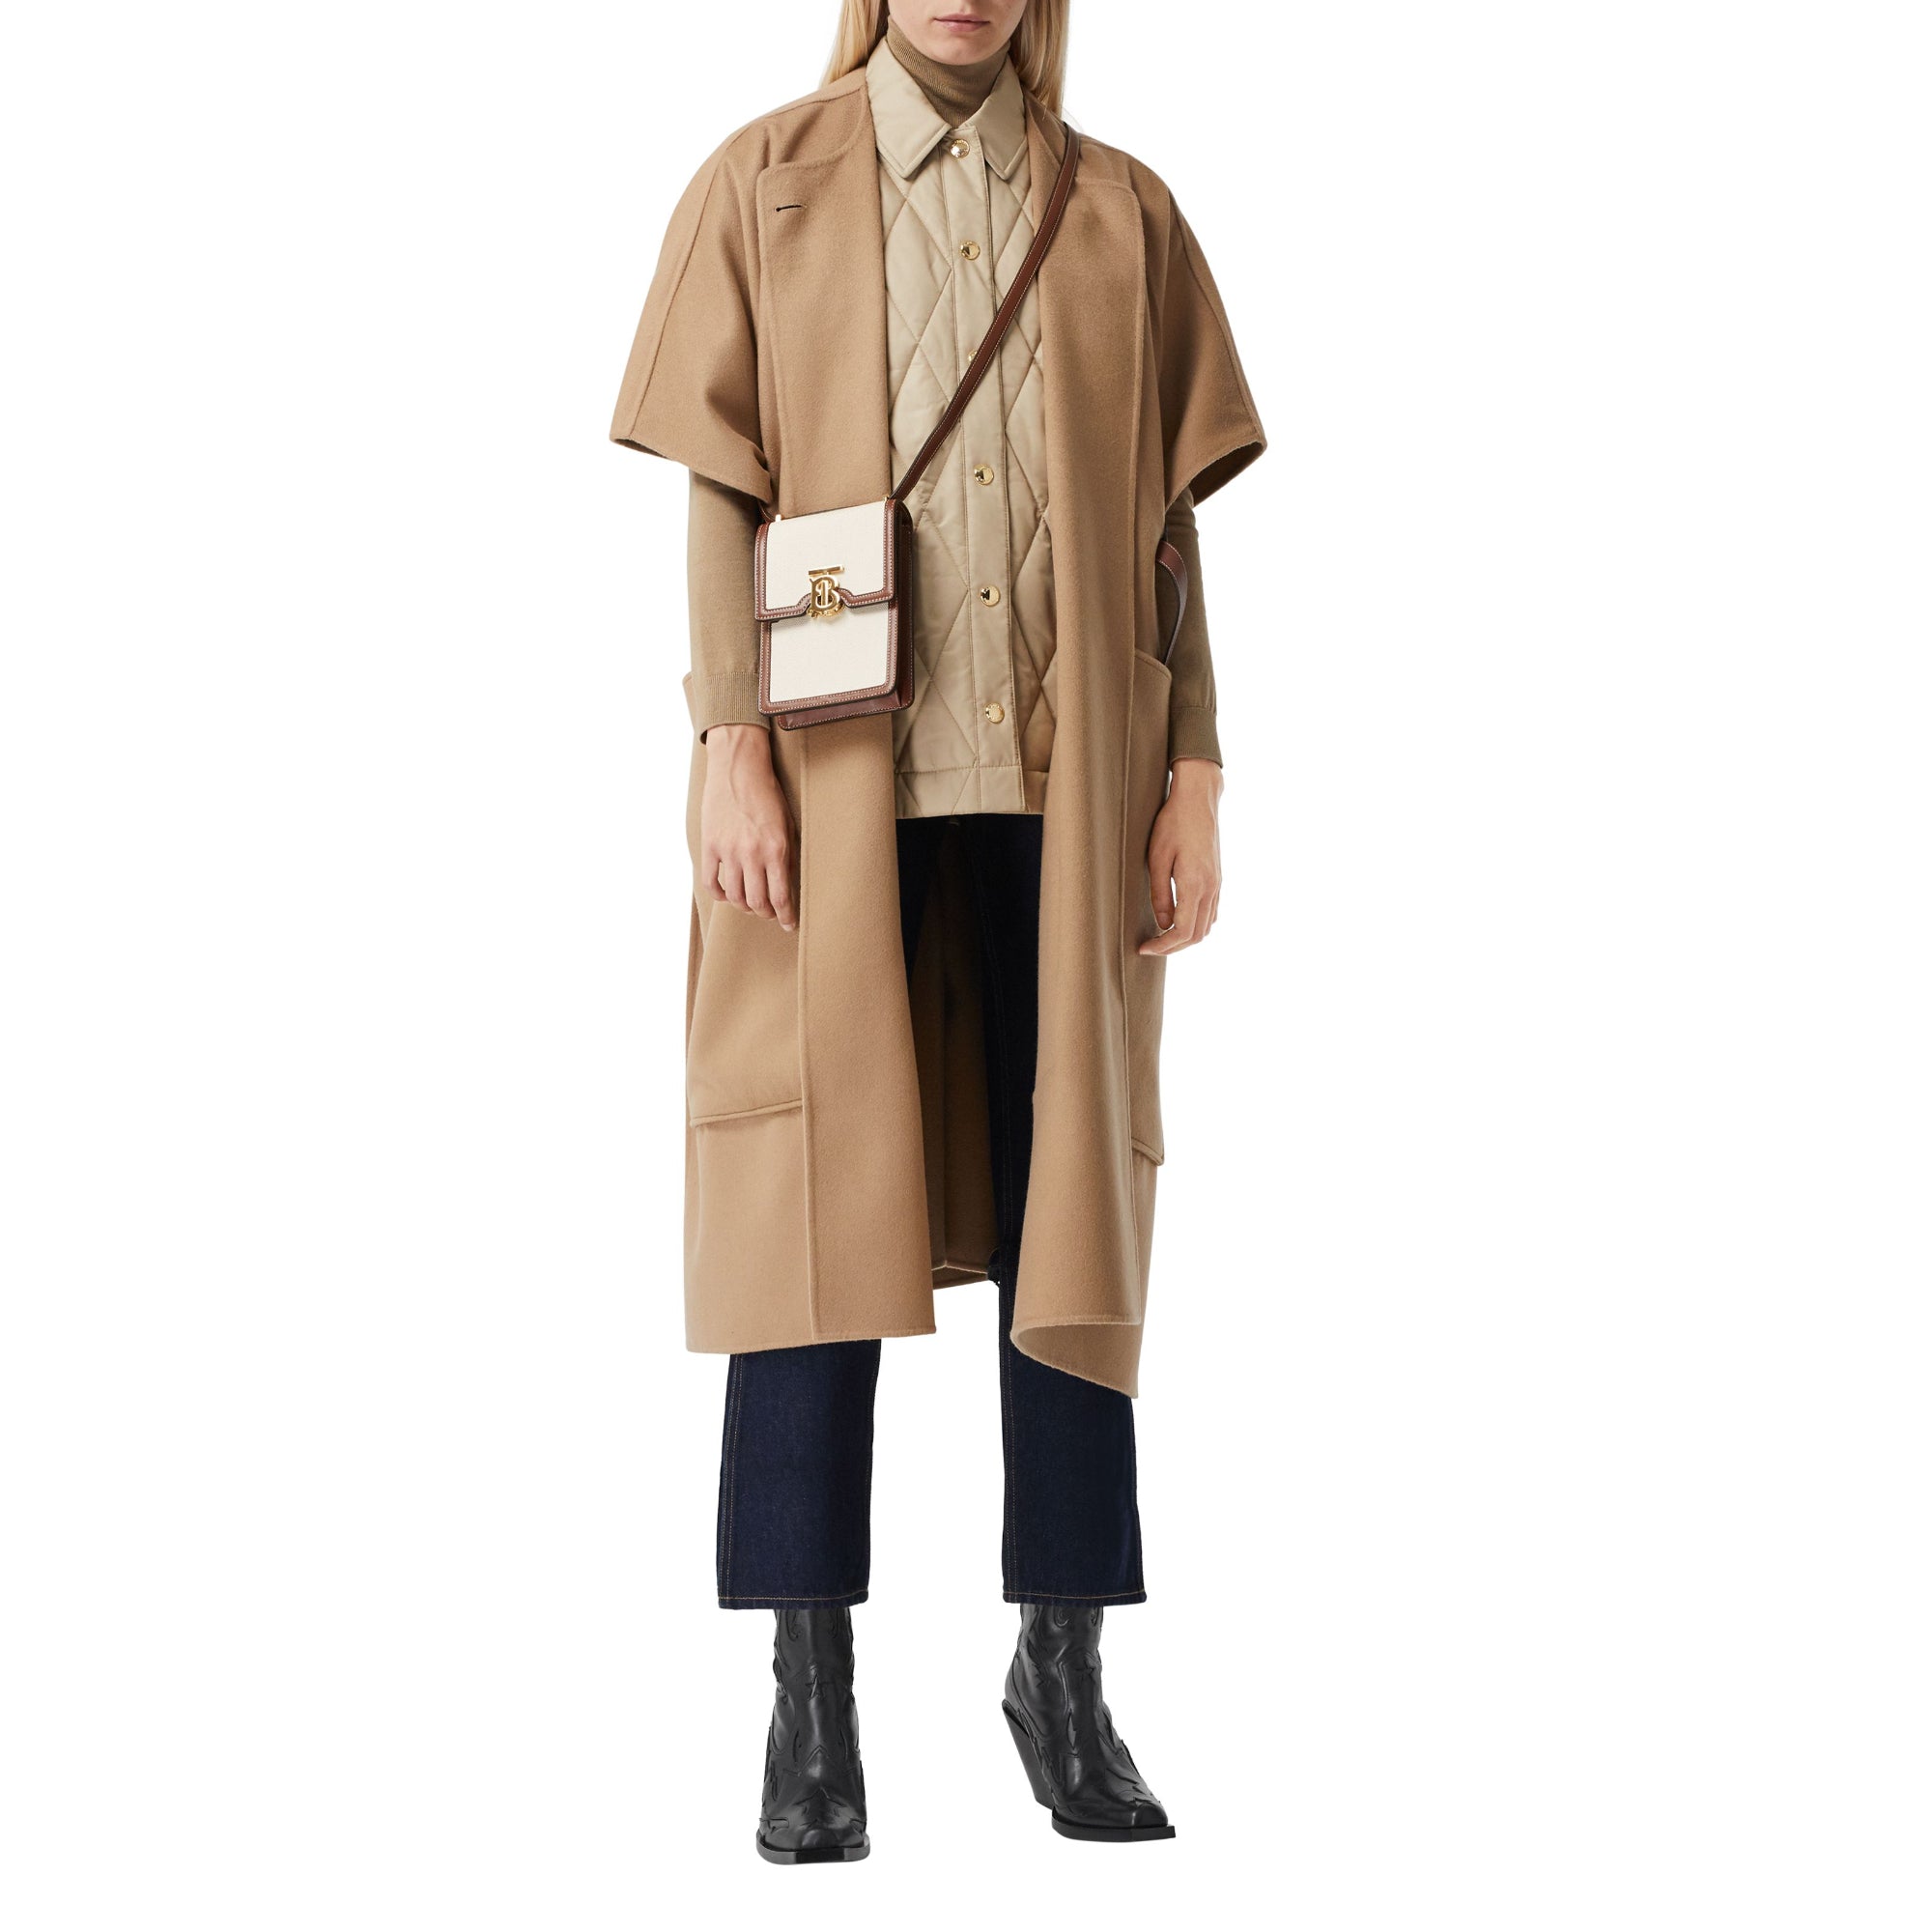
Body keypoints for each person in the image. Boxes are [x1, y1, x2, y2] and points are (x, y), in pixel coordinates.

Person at [608, 0, 1264, 1861]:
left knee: (1074, 1230)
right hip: (838, 792)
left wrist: (1197, 769)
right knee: (811, 1221)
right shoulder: (765, 183)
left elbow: (1168, 539)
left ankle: (1064, 1669)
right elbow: (723, 490)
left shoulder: (1124, 211)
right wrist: (726, 740)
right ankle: (808, 1699)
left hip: (1072, 792)